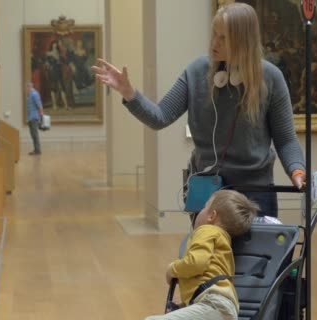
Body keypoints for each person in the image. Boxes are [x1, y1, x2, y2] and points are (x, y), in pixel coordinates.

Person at [91, 3, 306, 217]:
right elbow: (159, 117)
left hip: (255, 192)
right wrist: (129, 92)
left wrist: (297, 170)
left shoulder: (271, 78)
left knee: (255, 252)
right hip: (207, 190)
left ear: (243, 41)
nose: (214, 43)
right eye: (214, 34)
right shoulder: (196, 72)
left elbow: (286, 139)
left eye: (223, 38)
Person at [145, 190, 259, 320]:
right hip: (222, 306)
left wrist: (172, 269)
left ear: (211, 216)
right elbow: (206, 276)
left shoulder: (207, 230)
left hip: (213, 304)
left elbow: (196, 263)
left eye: (205, 207)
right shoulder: (223, 242)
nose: (201, 211)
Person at [26, 82, 43, 155]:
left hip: (34, 117)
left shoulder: (34, 94)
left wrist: (41, 114)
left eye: (27, 87)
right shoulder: (30, 95)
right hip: (30, 117)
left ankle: (37, 150)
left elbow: (39, 105)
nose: (26, 89)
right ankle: (36, 149)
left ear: (29, 87)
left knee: (35, 134)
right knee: (33, 134)